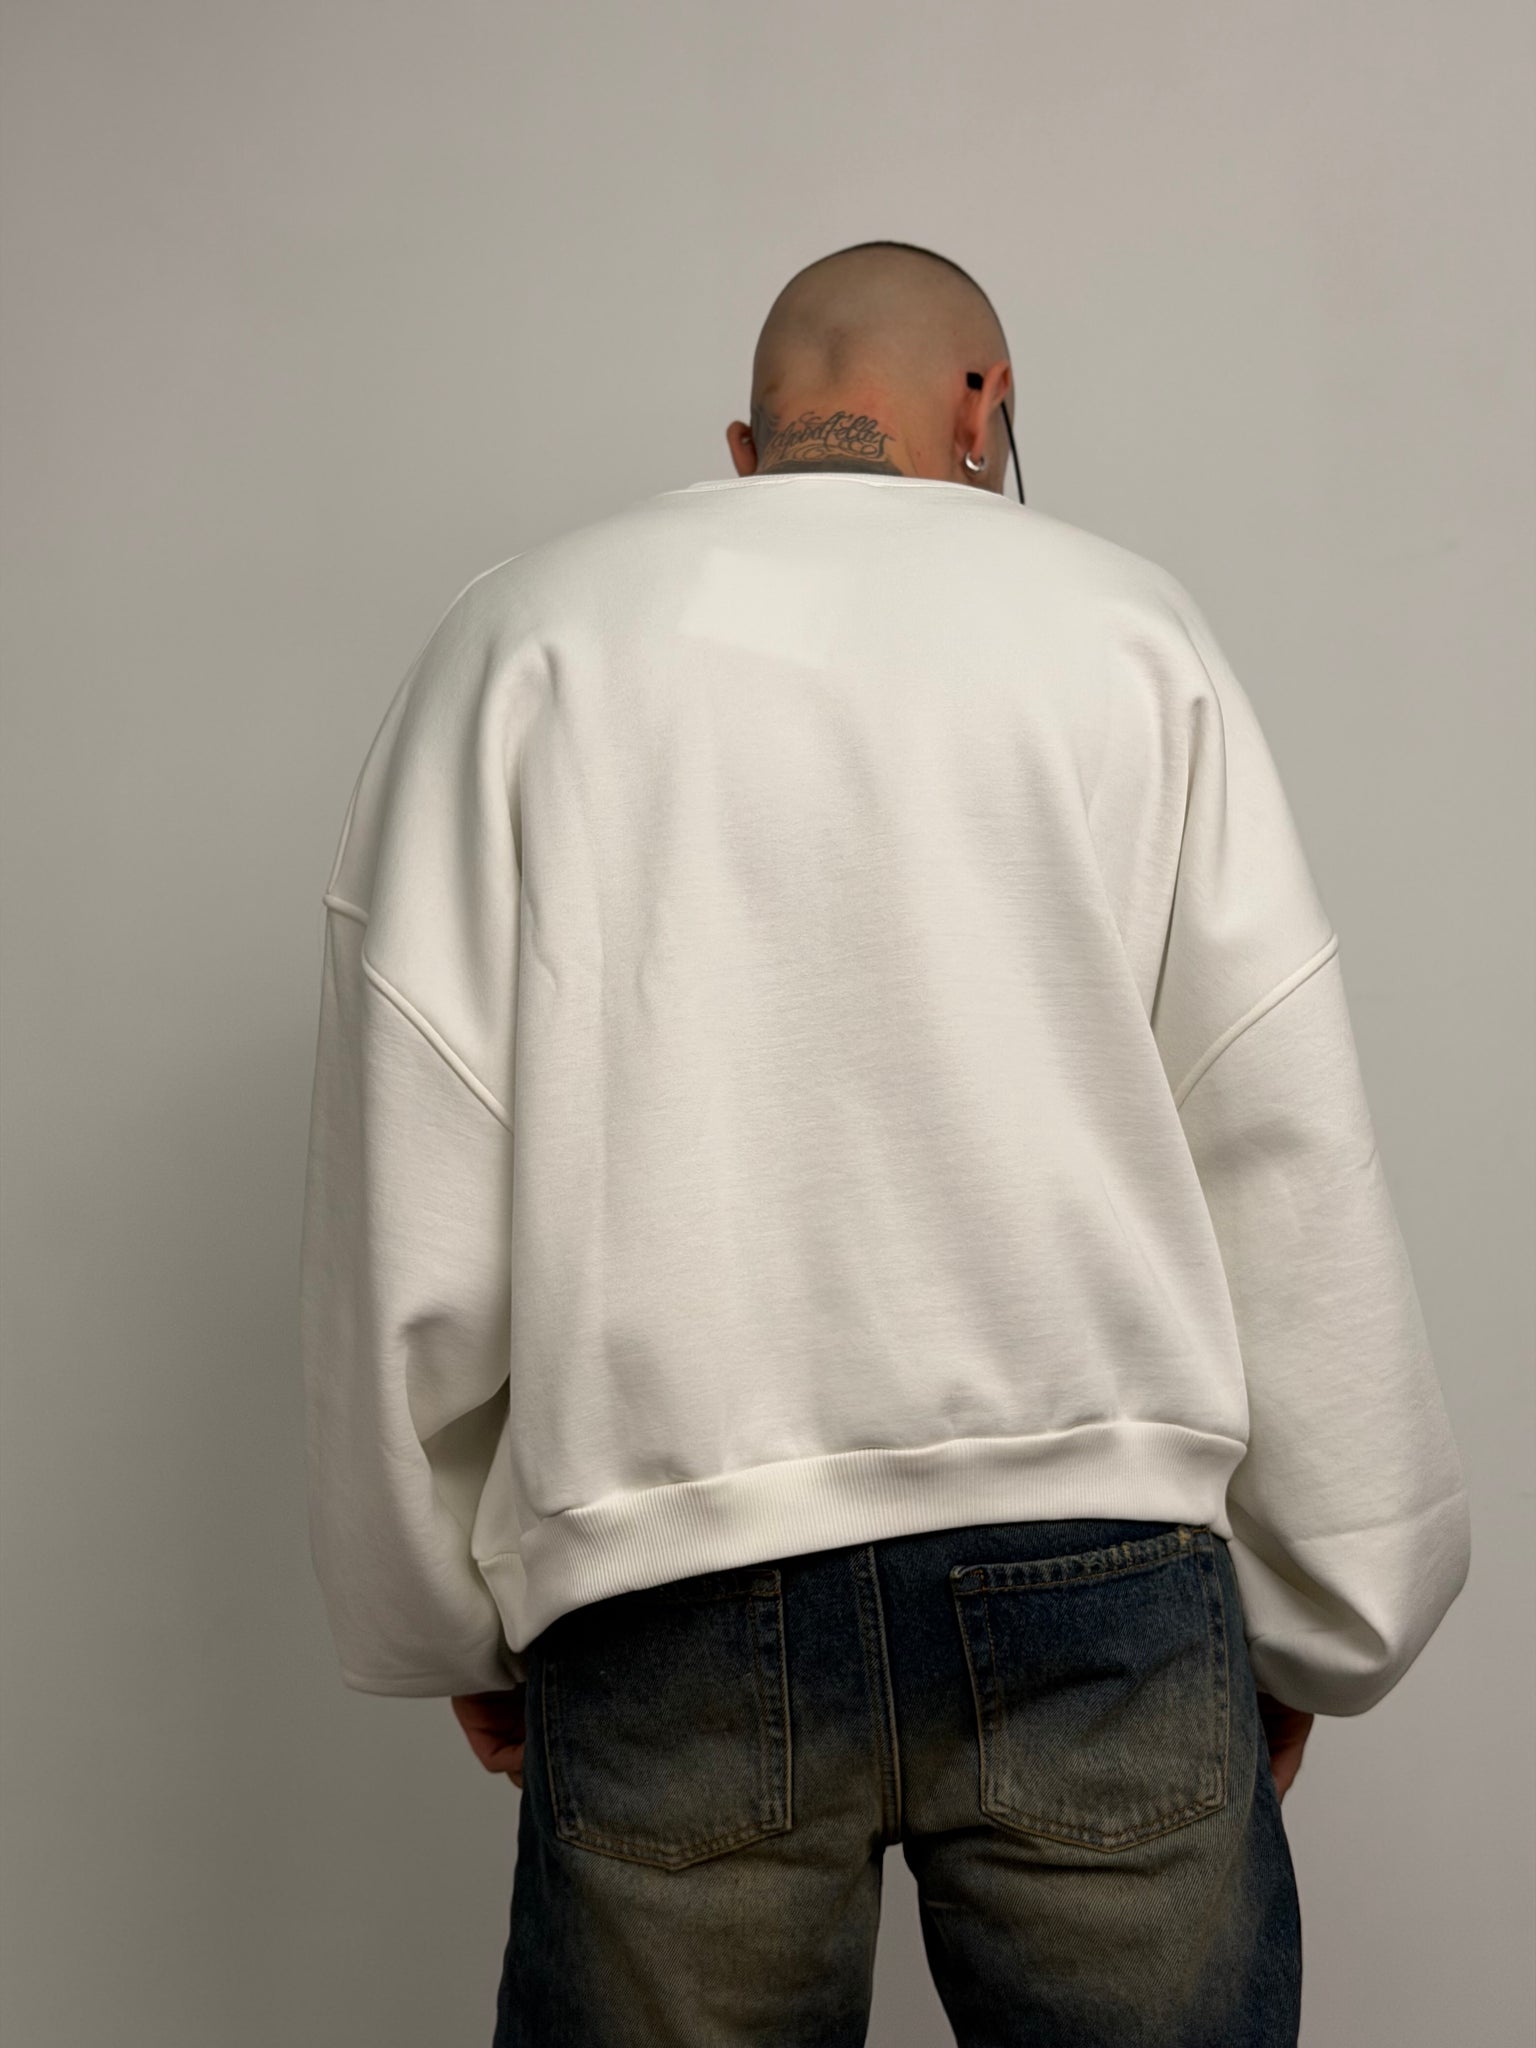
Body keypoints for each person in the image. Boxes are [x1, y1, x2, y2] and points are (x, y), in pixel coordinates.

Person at [298, 240, 1471, 2046]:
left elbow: (415, 1142)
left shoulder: (525, 643)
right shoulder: (1126, 631)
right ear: (985, 405)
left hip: (668, 1581)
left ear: (745, 447)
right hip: (1100, 1571)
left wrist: (448, 1607)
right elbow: (1274, 1129)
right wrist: (1329, 1608)